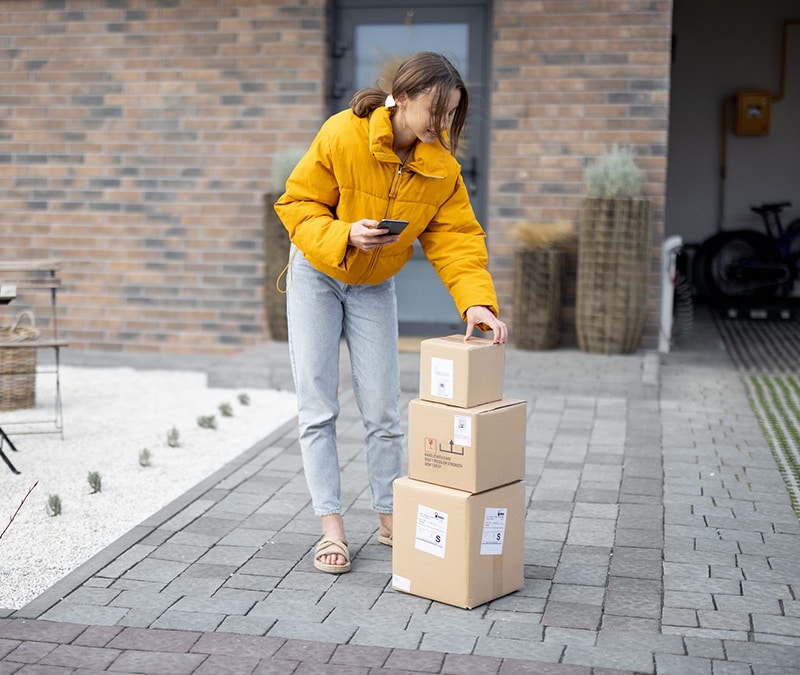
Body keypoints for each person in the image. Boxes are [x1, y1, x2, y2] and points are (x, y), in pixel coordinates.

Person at [274, 51, 508, 574]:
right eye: (435, 111)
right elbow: (296, 204)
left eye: (452, 114)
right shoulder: (343, 134)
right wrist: (344, 233)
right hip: (318, 271)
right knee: (318, 405)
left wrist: (477, 303)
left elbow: (457, 239)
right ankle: (331, 526)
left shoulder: (441, 167)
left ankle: (387, 517)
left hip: (374, 284)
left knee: (383, 411)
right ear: (401, 99)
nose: (443, 124)